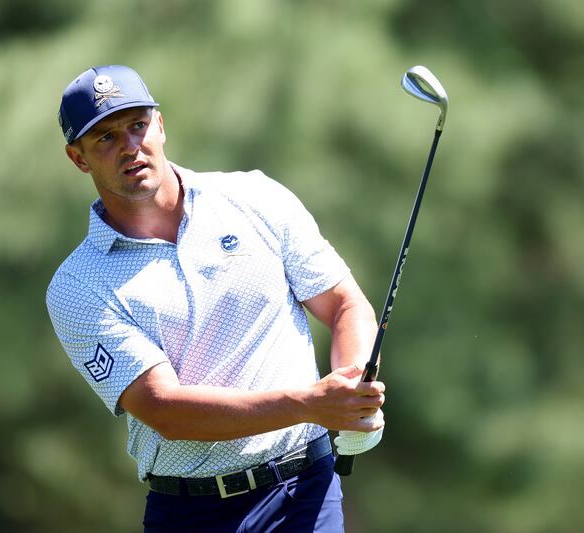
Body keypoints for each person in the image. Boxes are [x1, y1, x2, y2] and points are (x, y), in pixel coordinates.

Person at [46, 64, 386, 532]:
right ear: (78, 158)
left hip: (301, 493)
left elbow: (345, 306)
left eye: (137, 125)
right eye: (105, 137)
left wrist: (351, 391)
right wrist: (310, 403)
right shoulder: (78, 285)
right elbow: (165, 408)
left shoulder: (255, 197)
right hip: (190, 511)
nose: (129, 146)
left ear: (160, 126)